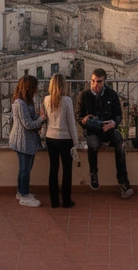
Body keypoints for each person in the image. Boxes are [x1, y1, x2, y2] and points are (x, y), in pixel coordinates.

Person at [77, 68, 132, 198]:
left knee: (120, 142)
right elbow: (78, 115)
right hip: (91, 130)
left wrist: (113, 123)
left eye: (99, 82)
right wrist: (83, 120)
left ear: (104, 81)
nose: (95, 84)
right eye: (93, 81)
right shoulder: (83, 95)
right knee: (93, 145)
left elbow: (118, 114)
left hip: (108, 129)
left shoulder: (111, 94)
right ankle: (93, 174)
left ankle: (123, 180)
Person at [9, 74, 46, 208]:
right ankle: (24, 195)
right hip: (23, 141)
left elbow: (32, 118)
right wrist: (41, 119)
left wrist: (39, 117)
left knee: (25, 168)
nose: (36, 89)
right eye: (34, 87)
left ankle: (22, 192)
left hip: (27, 140)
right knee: (25, 169)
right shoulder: (20, 103)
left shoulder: (27, 101)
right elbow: (28, 124)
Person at [44, 73, 79, 208]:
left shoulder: (46, 99)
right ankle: (66, 200)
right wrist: (75, 142)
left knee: (53, 169)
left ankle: (54, 201)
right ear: (63, 85)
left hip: (50, 138)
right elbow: (71, 123)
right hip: (65, 139)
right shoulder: (67, 101)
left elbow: (46, 120)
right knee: (67, 170)